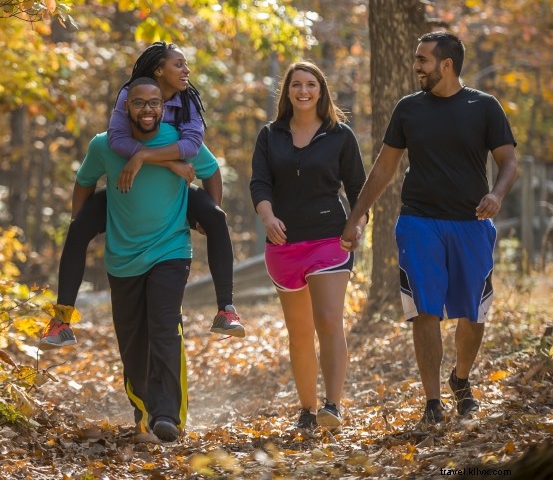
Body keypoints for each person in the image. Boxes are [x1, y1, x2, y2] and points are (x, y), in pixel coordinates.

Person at [341, 31, 518, 426]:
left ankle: (461, 379)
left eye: (422, 60)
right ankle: (433, 401)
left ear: (446, 65)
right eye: (416, 59)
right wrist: (356, 217)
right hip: (419, 221)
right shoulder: (408, 109)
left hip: (472, 223)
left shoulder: (485, 107)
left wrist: (498, 194)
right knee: (425, 312)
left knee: (473, 316)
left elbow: (509, 162)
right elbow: (385, 168)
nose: (416, 67)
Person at [41, 42, 244, 348]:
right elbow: (119, 141)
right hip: (125, 188)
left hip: (173, 190)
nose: (186, 70)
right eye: (179, 64)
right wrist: (79, 218)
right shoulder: (129, 95)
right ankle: (61, 322)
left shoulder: (188, 102)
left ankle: (225, 310)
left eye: (185, 65)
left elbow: (193, 150)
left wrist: (155, 161)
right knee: (78, 228)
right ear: (159, 70)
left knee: (216, 217)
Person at [71, 77, 221, 442]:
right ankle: (145, 409)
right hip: (122, 257)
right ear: (126, 107)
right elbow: (84, 181)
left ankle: (168, 414)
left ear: (163, 107)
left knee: (164, 325)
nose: (148, 109)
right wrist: (82, 225)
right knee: (132, 337)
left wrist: (209, 213)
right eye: (139, 103)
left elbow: (211, 171)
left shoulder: (179, 141)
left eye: (155, 103)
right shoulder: (105, 146)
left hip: (171, 250)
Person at [250, 61, 366, 431]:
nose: (303, 91)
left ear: (321, 90)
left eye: (310, 84)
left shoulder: (340, 135)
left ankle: (333, 405)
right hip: (283, 244)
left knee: (329, 319)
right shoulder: (271, 135)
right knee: (299, 334)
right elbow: (260, 184)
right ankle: (307, 409)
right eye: (296, 84)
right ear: (286, 92)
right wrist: (268, 219)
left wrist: (358, 224)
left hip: (330, 238)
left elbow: (358, 190)